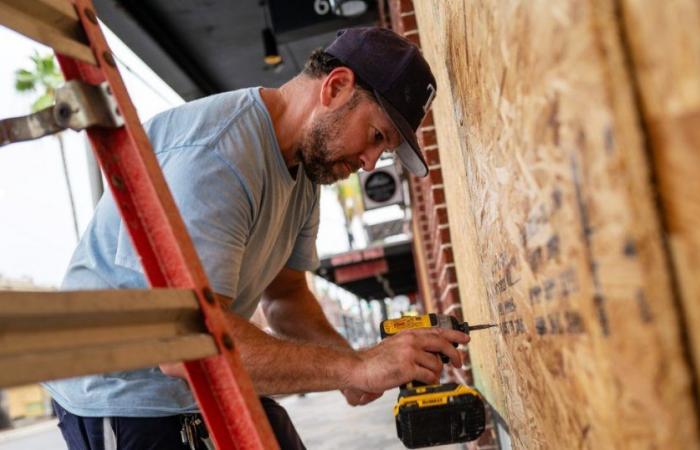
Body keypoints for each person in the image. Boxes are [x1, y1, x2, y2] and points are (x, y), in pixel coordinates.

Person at [44, 27, 469, 449]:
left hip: (202, 382)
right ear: (337, 87)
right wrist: (354, 367)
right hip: (125, 398)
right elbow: (183, 344)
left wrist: (355, 368)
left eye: (385, 149)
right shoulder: (215, 159)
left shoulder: (304, 169)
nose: (372, 163)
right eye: (376, 136)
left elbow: (285, 295)